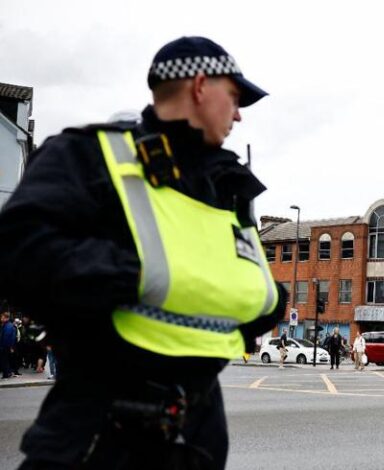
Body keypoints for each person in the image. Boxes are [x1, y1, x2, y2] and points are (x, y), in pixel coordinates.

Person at [0, 36, 285, 469]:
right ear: (200, 86)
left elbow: (247, 292)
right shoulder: (91, 155)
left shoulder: (228, 184)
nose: (240, 114)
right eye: (234, 96)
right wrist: (130, 276)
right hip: (99, 428)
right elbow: (16, 249)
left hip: (200, 432)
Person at [0, 311, 16, 379]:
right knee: (5, 360)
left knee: (4, 360)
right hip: (5, 346)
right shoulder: (6, 325)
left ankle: (6, 374)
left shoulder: (8, 326)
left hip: (4, 346)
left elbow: (7, 337)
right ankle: (8, 373)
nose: (1, 319)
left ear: (6, 318)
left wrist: (4, 346)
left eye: (2, 317)